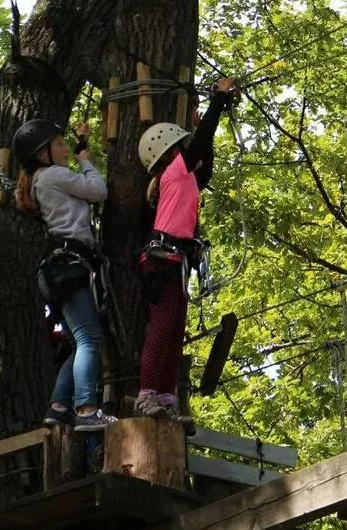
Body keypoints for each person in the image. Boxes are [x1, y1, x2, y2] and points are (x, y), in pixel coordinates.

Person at [135, 77, 236, 426]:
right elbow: (202, 143)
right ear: (170, 151)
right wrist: (218, 100)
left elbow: (204, 161)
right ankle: (147, 394)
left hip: (176, 261)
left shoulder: (185, 176)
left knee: (175, 332)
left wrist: (202, 121)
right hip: (163, 261)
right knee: (162, 329)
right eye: (182, 143)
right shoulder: (172, 172)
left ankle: (165, 396)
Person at [13, 119, 118, 432]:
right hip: (69, 267)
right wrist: (85, 161)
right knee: (90, 339)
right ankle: (86, 409)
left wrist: (81, 144)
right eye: (58, 144)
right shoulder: (54, 175)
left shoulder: (40, 180)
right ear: (43, 153)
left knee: (78, 342)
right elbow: (99, 191)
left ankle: (59, 406)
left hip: (58, 270)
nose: (64, 149)